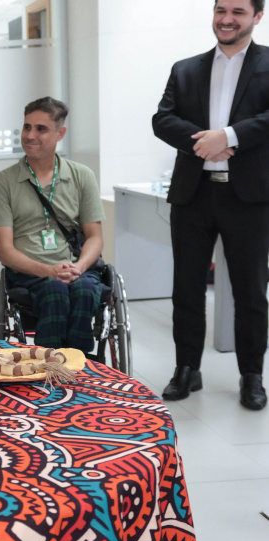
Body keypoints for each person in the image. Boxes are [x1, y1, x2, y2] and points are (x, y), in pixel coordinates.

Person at [152, 0, 269, 410]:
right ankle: (187, 369)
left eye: (238, 11)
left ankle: (251, 375)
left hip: (250, 198)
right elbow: (162, 119)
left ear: (257, 16)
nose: (226, 18)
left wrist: (230, 136)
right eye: (221, 9)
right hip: (193, 195)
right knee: (186, 288)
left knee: (251, 291)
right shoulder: (186, 68)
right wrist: (204, 141)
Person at [0, 97, 105, 353]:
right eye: (27, 127)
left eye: (41, 129)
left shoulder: (82, 176)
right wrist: (47, 270)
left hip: (76, 267)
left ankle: (80, 364)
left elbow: (95, 236)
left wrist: (79, 267)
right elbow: (4, 250)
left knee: (84, 290)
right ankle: (48, 366)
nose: (30, 135)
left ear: (60, 133)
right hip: (28, 273)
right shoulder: (3, 183)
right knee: (55, 290)